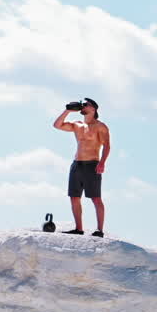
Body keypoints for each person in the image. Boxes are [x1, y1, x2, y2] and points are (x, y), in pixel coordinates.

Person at [52, 98, 111, 236]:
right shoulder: (77, 125)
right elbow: (57, 125)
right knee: (74, 197)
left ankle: (99, 230)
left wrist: (102, 162)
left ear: (93, 109)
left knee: (96, 198)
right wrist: (68, 110)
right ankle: (79, 229)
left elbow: (107, 145)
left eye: (86, 105)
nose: (82, 106)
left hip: (92, 164)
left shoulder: (100, 126)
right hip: (77, 164)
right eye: (82, 104)